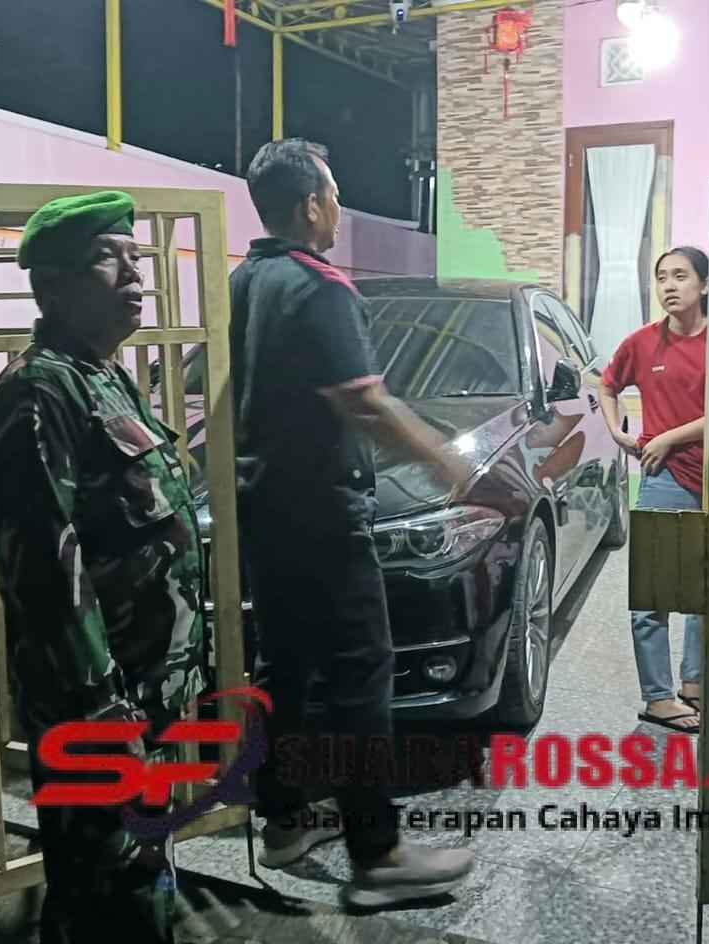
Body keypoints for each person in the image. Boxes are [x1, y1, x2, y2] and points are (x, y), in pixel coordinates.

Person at [229, 138, 474, 909]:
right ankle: (378, 855)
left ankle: (282, 818)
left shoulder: (243, 280)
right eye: (333, 195)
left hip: (264, 511)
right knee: (362, 673)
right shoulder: (320, 287)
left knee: (283, 670)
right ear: (310, 205)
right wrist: (444, 462)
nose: (338, 209)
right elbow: (363, 400)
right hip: (325, 516)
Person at [0, 190, 207, 943]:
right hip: (99, 708)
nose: (136, 275)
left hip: (143, 693)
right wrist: (102, 711)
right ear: (51, 282)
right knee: (109, 887)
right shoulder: (37, 392)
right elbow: (46, 570)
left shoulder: (103, 376)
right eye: (111, 259)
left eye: (137, 258)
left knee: (131, 872)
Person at [598, 246, 709, 732]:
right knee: (652, 595)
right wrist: (618, 432)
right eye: (662, 277)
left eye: (680, 276)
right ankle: (658, 697)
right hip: (664, 478)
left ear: (704, 285)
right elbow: (607, 385)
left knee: (706, 591)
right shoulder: (643, 343)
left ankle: (695, 683)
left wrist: (668, 435)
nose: (669, 286)